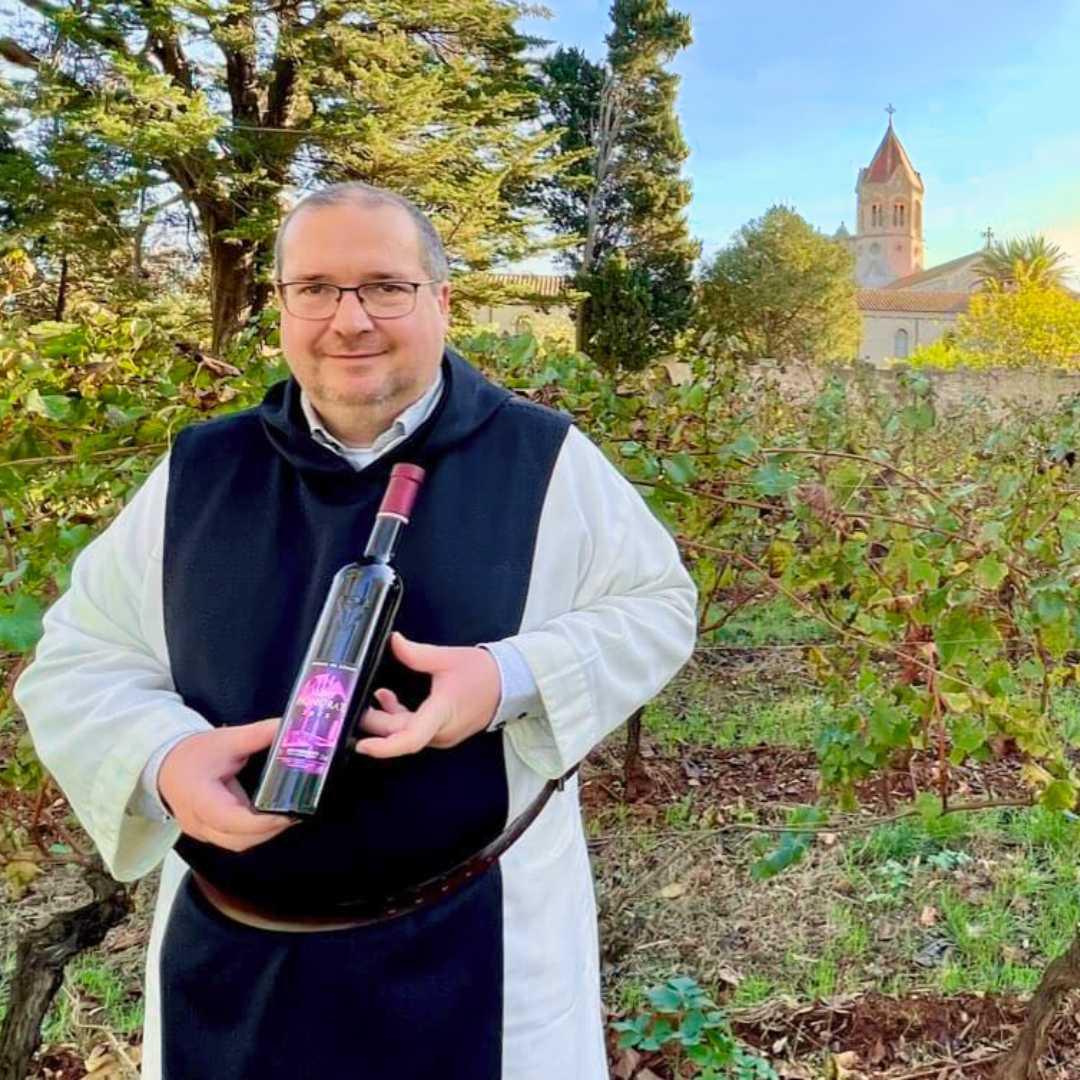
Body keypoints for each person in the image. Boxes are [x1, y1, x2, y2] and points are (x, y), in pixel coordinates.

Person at [14, 182, 697, 1080]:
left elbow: (655, 606)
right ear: (284, 305)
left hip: (474, 947)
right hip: (232, 963)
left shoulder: (543, 458)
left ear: (441, 301)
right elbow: (79, 661)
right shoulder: (201, 470)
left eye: (385, 286)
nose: (351, 319)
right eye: (317, 289)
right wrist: (162, 759)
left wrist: (503, 680)